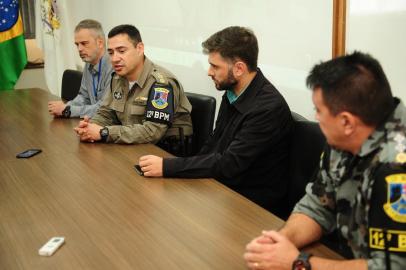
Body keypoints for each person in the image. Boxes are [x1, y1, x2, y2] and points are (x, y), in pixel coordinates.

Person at [244, 52, 406, 270]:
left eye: (319, 110)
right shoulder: (345, 137)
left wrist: (298, 263)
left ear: (347, 122)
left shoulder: (395, 168)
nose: (316, 117)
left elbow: (391, 267)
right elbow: (318, 205)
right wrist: (280, 242)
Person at [139, 26, 293, 214]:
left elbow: (229, 164)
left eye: (215, 66)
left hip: (252, 208)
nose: (209, 72)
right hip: (222, 192)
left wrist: (167, 166)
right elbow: (213, 144)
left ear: (239, 69)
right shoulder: (232, 91)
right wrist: (184, 172)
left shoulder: (268, 108)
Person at [74, 24, 193, 156]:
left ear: (139, 48)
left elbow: (152, 132)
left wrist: (104, 133)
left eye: (121, 51)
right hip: (132, 147)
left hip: (164, 154)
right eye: (111, 52)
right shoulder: (118, 78)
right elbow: (106, 112)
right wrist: (90, 128)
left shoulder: (161, 84)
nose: (114, 59)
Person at [48, 19, 113, 118]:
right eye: (77, 44)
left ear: (100, 43)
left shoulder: (114, 66)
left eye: (84, 43)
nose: (79, 49)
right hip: (94, 121)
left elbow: (105, 109)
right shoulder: (89, 62)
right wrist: (67, 106)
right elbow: (84, 97)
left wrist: (68, 110)